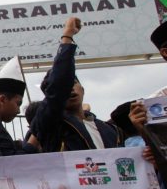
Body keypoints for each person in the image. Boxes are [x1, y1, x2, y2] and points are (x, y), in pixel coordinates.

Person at [29, 17, 121, 152]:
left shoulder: (110, 130)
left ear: (82, 89)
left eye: (73, 83)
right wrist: (67, 36)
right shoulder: (50, 123)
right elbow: (59, 85)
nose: (69, 88)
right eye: (65, 85)